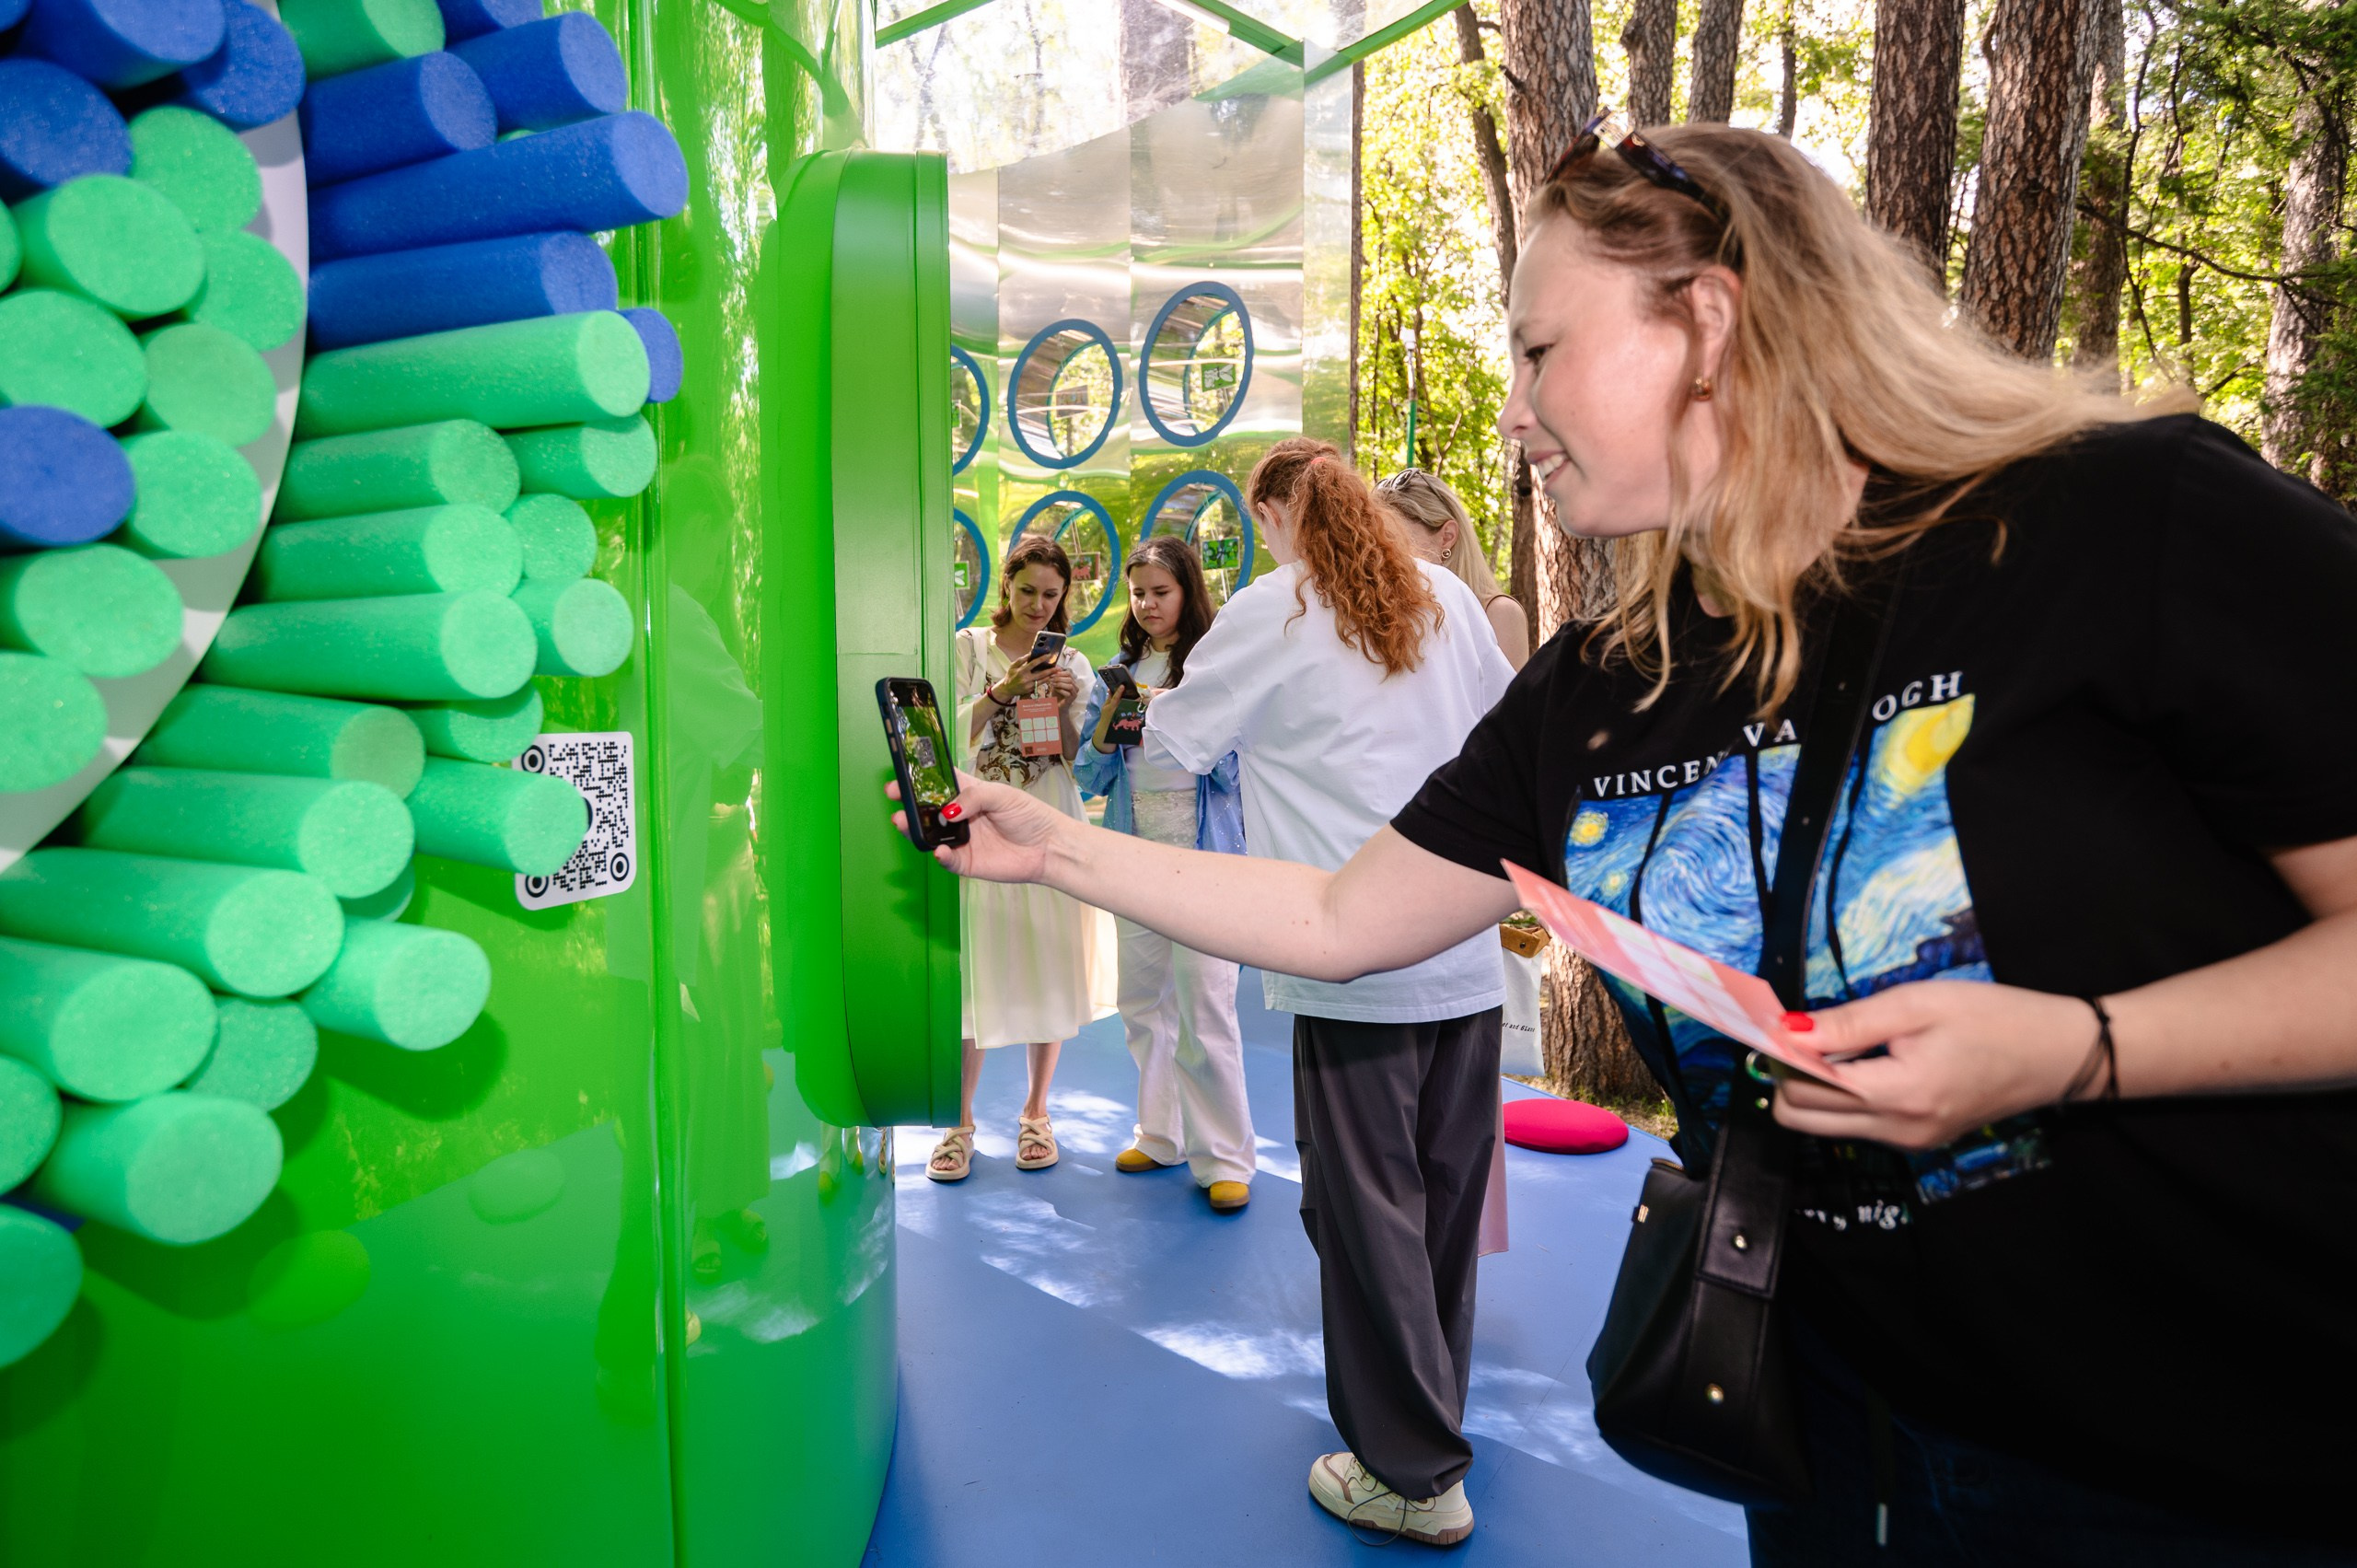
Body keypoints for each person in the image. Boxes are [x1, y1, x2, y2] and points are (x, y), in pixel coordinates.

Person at [900, 117, 2357, 1562]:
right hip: (1828, 1429)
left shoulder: (2121, 522)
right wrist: (1055, 848)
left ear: (1709, 322)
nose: (1515, 410)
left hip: (2200, 1446)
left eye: (1541, 352)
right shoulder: (1604, 683)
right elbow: (1344, 915)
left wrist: (2081, 1046)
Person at [1125, 436, 1512, 1545]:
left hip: (1352, 958)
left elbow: (1180, 742)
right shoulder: (1439, 590)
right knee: (1437, 1204)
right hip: (1462, 947)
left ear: (1278, 514)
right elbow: (1500, 736)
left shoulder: (1274, 606)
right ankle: (1430, 1417)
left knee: (1367, 1210)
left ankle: (1411, 1467)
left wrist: (1151, 713)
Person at [1073, 534, 1254, 1213]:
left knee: (1206, 1005)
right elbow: (1092, 775)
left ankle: (1227, 1157)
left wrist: (1174, 718)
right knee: (1143, 1000)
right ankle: (1160, 1132)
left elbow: (1237, 769)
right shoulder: (1115, 671)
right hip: (1134, 855)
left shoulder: (1213, 667)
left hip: (1204, 860)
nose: (1147, 604)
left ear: (1188, 592)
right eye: (1139, 591)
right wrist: (1109, 727)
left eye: (1161, 591)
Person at [931, 534, 1098, 1183]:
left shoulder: (1072, 664)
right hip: (977, 824)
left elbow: (1064, 755)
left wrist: (1053, 702)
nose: (1037, 605)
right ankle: (958, 1120)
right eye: (1027, 590)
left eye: (1051, 595)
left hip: (1047, 818)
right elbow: (947, 738)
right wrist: (1004, 689)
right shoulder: (966, 647)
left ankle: (1036, 1113)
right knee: (971, 966)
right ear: (1006, 584)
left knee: (1046, 959)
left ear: (1065, 597)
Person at [1376, 468, 1532, 668]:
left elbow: (1508, 698)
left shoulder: (1499, 614)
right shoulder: (1387, 615)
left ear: (1447, 536)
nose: (1385, 555)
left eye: (1396, 540)